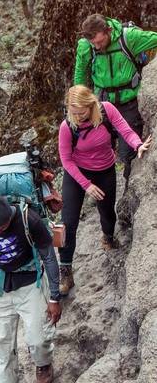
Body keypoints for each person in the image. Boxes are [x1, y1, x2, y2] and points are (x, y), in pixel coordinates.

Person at [57, 85, 152, 295]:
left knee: (108, 213)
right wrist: (86, 185)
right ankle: (65, 269)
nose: (78, 117)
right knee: (67, 222)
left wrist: (138, 145)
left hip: (105, 169)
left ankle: (108, 236)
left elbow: (125, 129)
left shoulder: (107, 110)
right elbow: (66, 160)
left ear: (91, 105)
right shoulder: (67, 127)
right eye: (74, 113)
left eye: (82, 113)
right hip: (77, 174)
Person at [0, 195, 62, 383]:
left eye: (2, 227)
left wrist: (54, 298)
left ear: (9, 217)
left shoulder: (30, 220)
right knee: (1, 342)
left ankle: (43, 364)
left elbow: (49, 258)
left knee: (38, 339)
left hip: (31, 283)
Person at [73, 14, 157, 183]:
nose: (97, 46)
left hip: (128, 104)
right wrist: (77, 102)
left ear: (109, 31)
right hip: (101, 104)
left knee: (128, 153)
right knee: (97, 149)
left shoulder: (129, 37)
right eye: (93, 43)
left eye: (100, 42)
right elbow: (80, 74)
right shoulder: (86, 47)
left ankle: (128, 184)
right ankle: (101, 188)